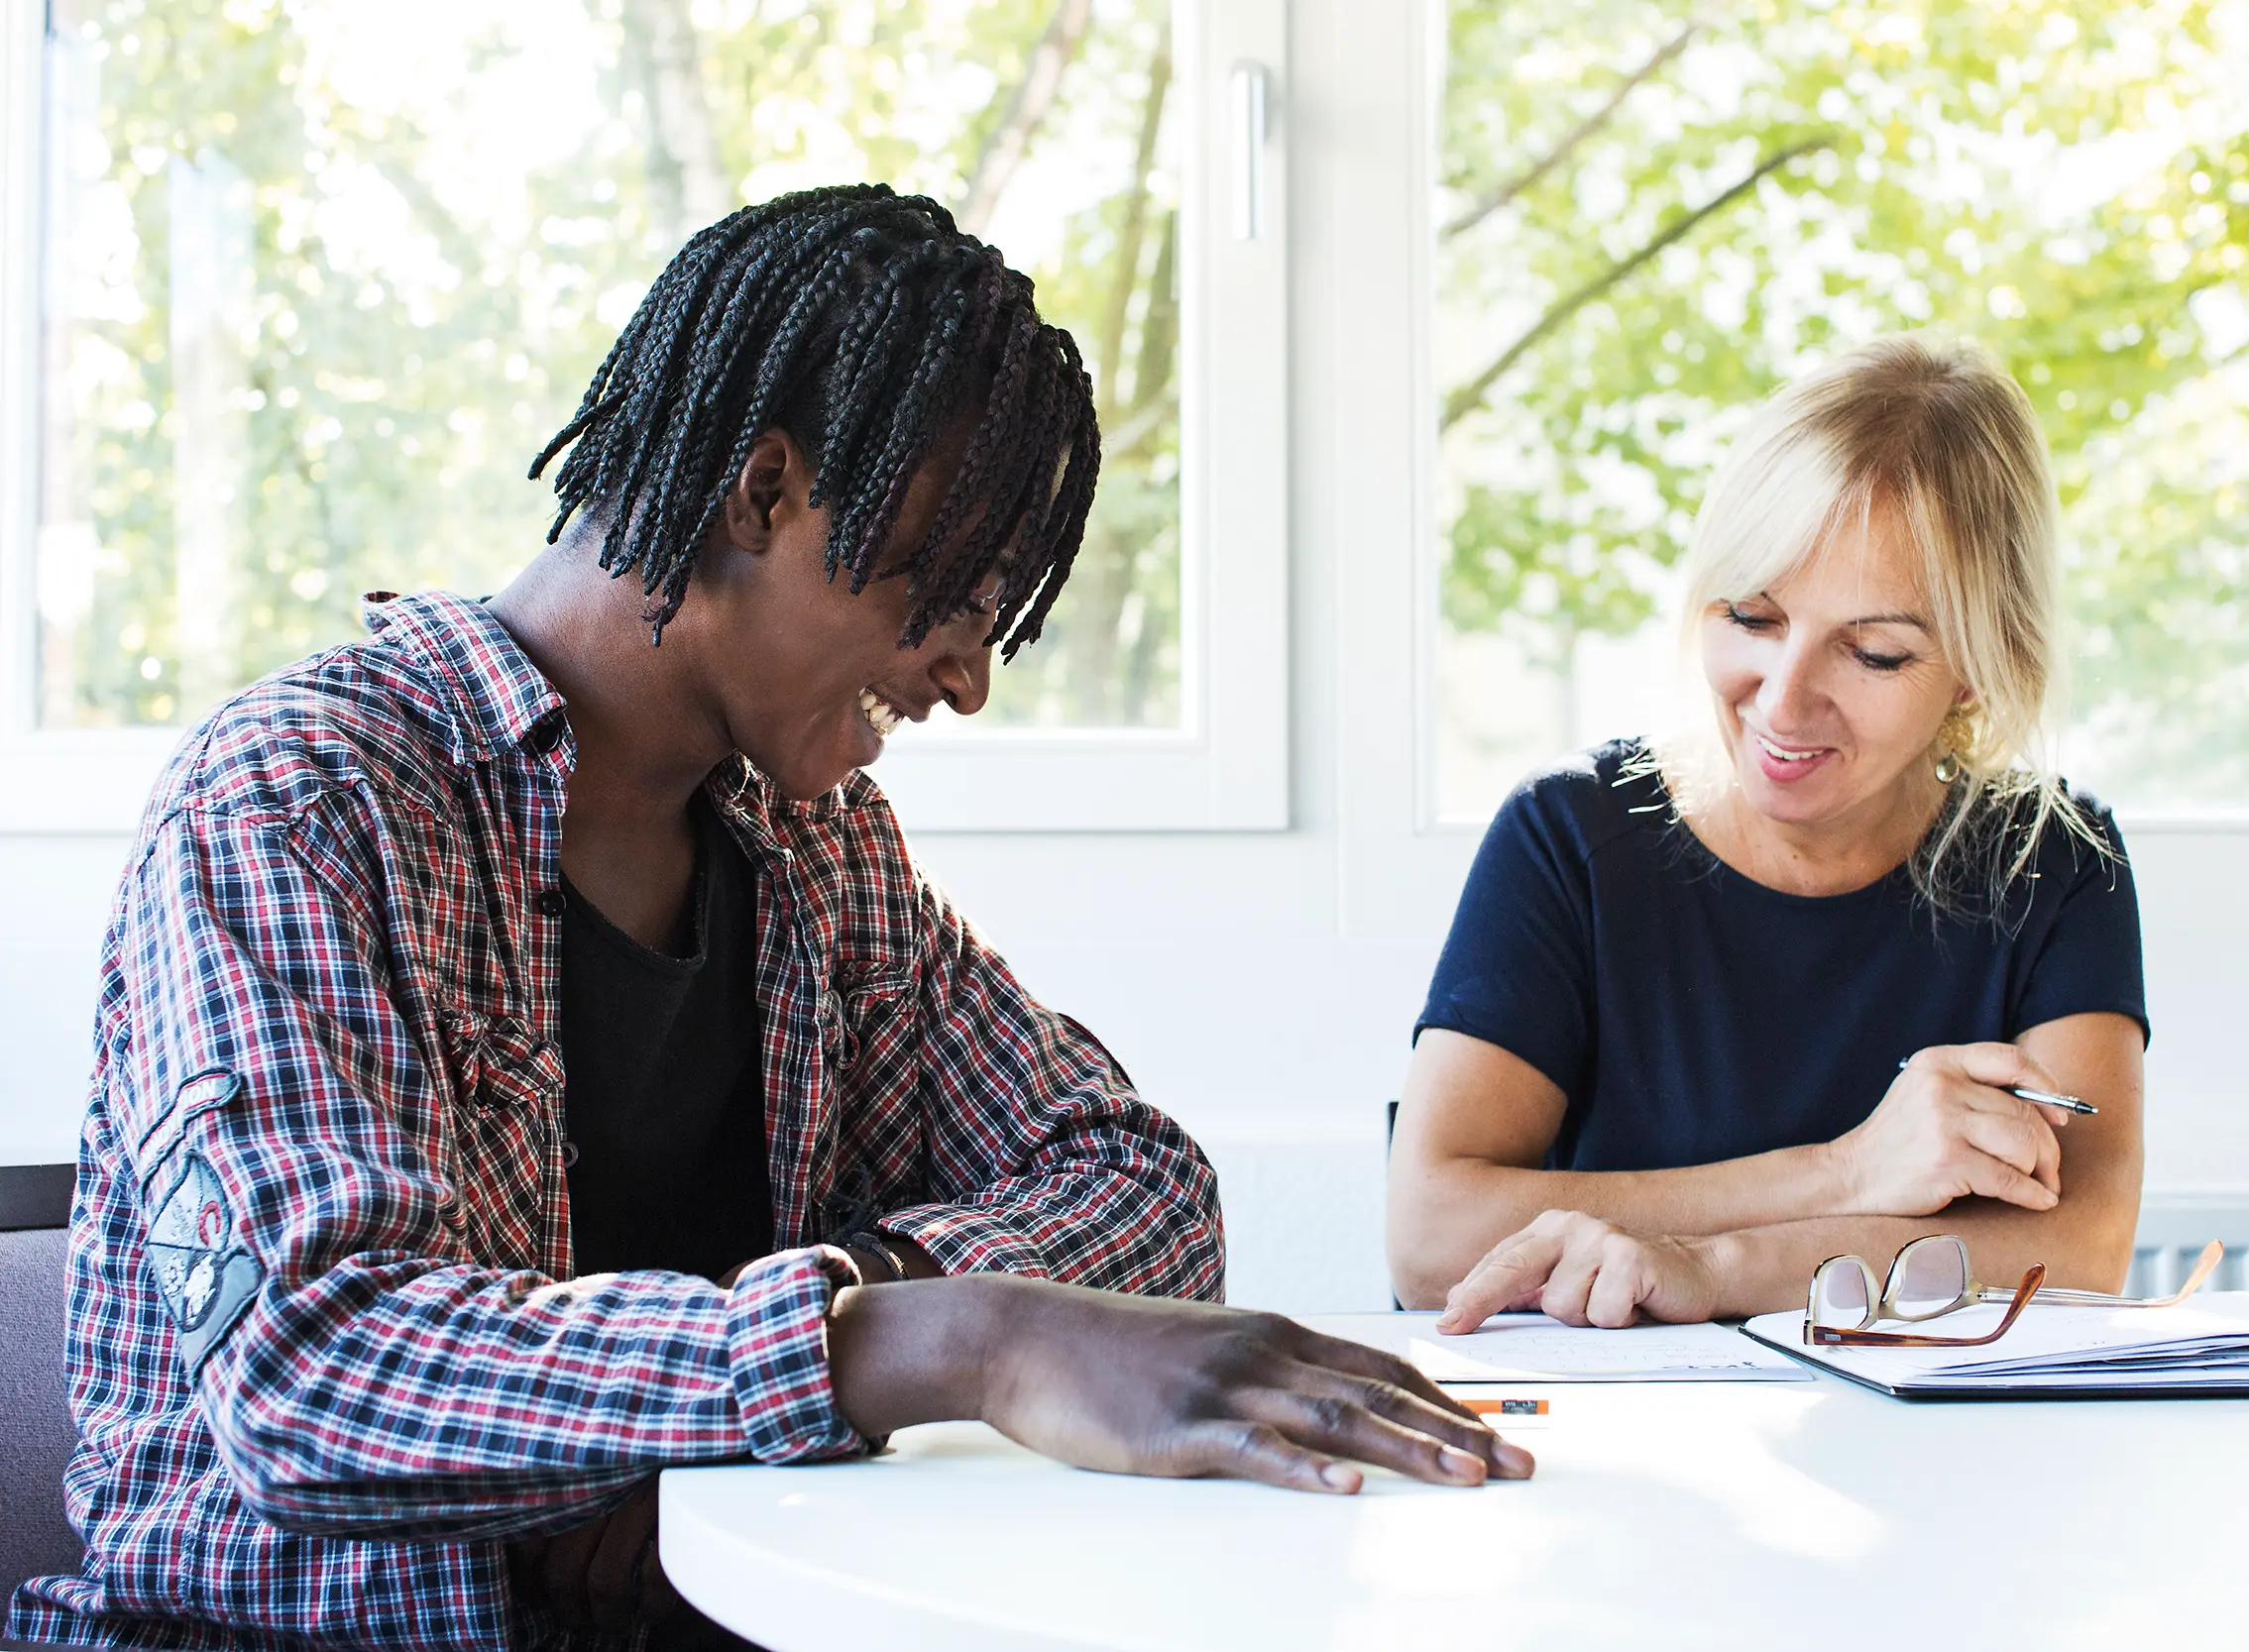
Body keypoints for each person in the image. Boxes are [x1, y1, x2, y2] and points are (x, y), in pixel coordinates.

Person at [9, 187, 1527, 1652]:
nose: (968, 675)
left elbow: (1139, 1183)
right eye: (952, 592)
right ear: (765, 491)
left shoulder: (818, 848)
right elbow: (319, 1374)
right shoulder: (303, 798)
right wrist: (957, 1340)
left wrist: (740, 1388)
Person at [1389, 334, 2148, 1333]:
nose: (1784, 702)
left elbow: (2082, 1250)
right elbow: (1430, 1238)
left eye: (1874, 653)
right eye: (1751, 616)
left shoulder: (2052, 861)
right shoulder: (1568, 836)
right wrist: (1851, 1172)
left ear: (1975, 663)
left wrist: (1717, 1266)